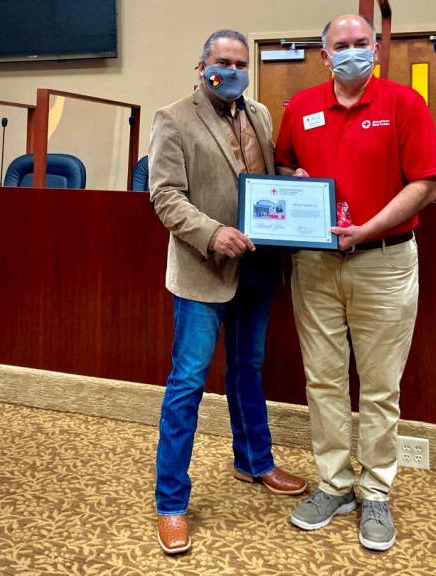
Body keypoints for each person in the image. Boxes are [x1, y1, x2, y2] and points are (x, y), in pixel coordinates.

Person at [275, 14, 436, 551]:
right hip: (316, 264)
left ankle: (374, 492)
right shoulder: (300, 108)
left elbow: (426, 184)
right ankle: (334, 484)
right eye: (340, 46)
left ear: (376, 49)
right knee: (322, 380)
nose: (352, 52)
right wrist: (291, 183)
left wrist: (368, 228)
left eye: (361, 44)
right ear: (324, 57)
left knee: (379, 385)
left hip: (384, 260)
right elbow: (282, 168)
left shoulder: (404, 104)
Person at [149, 29, 307, 556]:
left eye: (240, 62)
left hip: (257, 268)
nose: (232, 69)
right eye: (223, 61)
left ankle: (254, 461)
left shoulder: (259, 114)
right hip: (203, 270)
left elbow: (263, 179)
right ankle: (171, 502)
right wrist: (212, 234)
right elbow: (165, 196)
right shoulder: (173, 118)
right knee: (188, 382)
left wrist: (295, 178)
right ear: (202, 66)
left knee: (247, 369)